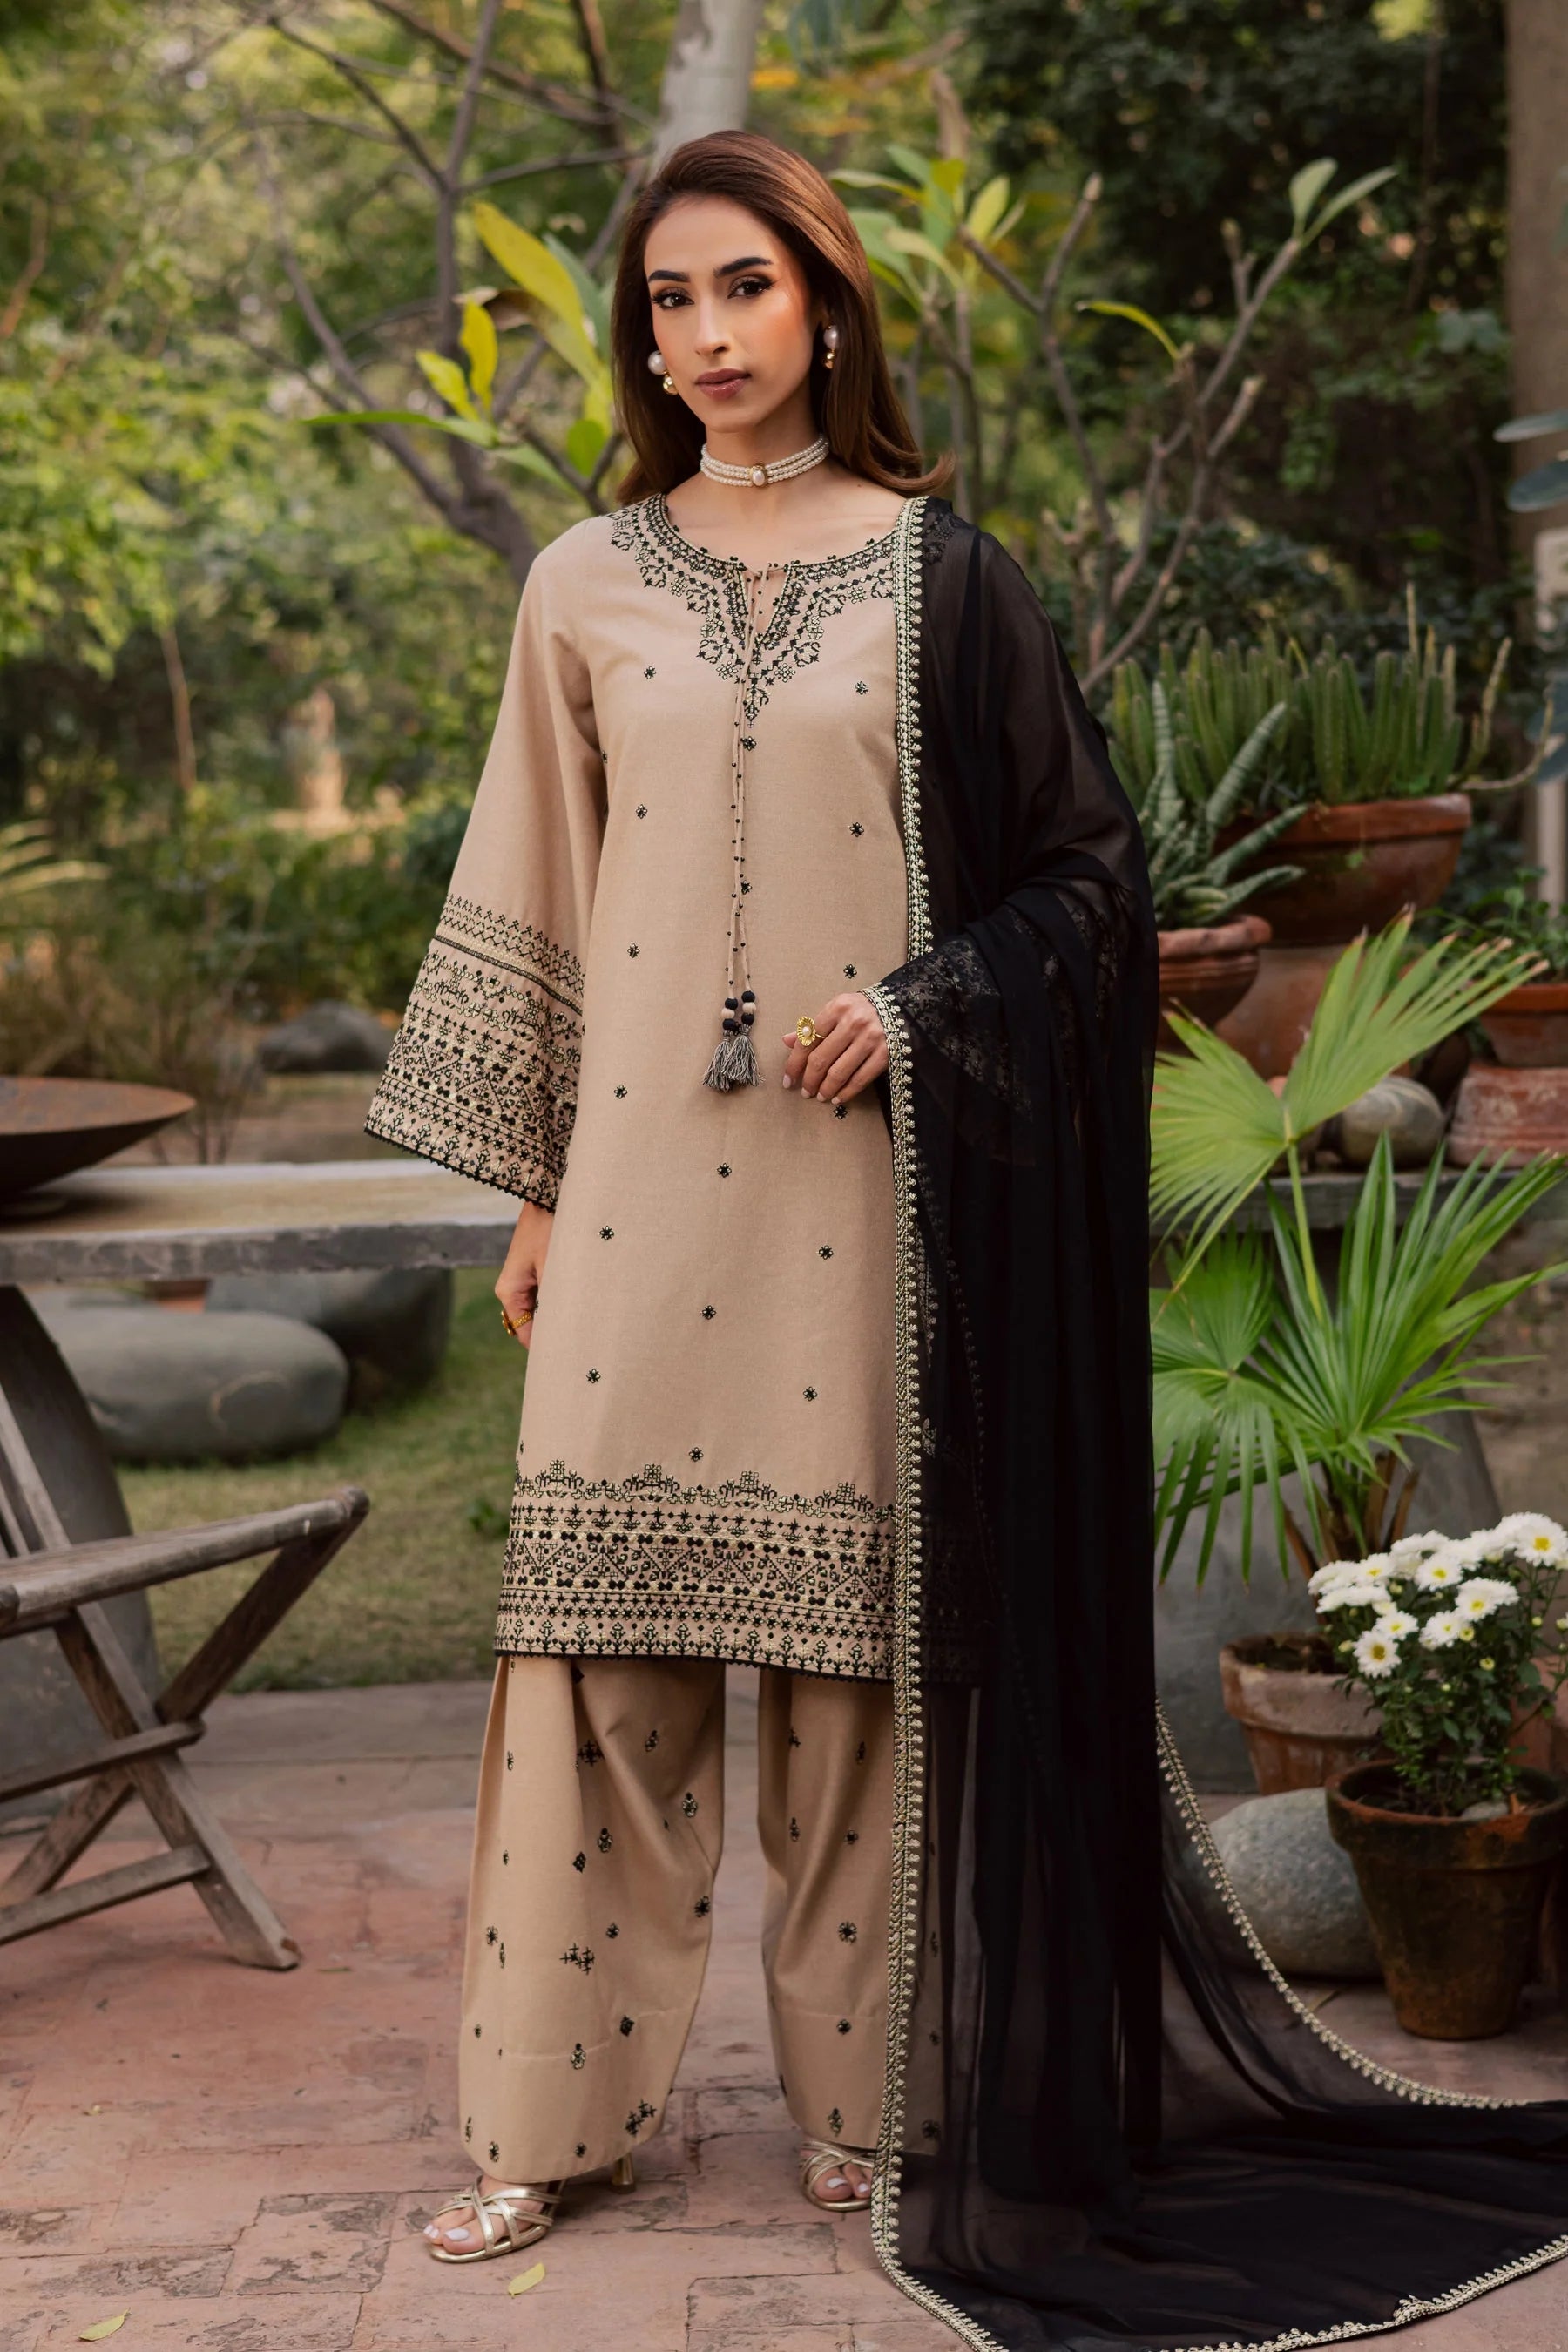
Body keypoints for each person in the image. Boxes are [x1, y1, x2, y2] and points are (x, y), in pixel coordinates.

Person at [368, 130, 1568, 2349]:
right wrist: (534, 1193)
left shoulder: (944, 580)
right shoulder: (580, 584)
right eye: (667, 302)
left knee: (852, 1672)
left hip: (863, 1196)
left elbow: (1090, 880)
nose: (705, 336)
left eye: (743, 288)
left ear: (826, 303)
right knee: (595, 1662)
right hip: (635, 1185)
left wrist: (924, 1004)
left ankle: (870, 2109)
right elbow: (536, 890)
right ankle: (544, 2124)